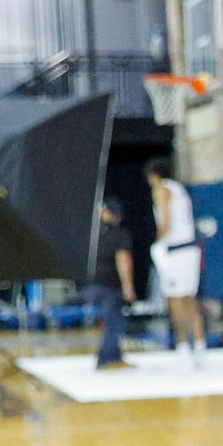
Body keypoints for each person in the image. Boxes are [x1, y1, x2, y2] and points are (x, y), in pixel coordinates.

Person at [144, 158, 205, 361]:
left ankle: (182, 346)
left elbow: (166, 223)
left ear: (153, 176)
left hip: (176, 251)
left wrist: (156, 243)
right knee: (190, 300)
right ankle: (199, 344)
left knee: (175, 301)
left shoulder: (161, 190)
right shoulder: (180, 189)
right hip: (191, 249)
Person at [89, 195, 135, 370]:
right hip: (109, 285)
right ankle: (106, 358)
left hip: (91, 284)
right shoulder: (119, 234)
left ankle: (115, 356)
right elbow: (123, 259)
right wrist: (128, 286)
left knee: (112, 319)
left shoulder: (92, 234)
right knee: (114, 321)